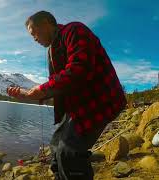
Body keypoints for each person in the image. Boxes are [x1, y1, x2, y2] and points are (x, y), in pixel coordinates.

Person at [7, 11, 127, 180]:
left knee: (69, 150)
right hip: (77, 106)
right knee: (56, 147)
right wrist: (29, 96)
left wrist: (41, 90)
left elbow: (79, 70)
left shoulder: (74, 30)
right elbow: (60, 87)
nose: (34, 39)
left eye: (34, 33)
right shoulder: (52, 51)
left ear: (47, 23)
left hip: (100, 100)